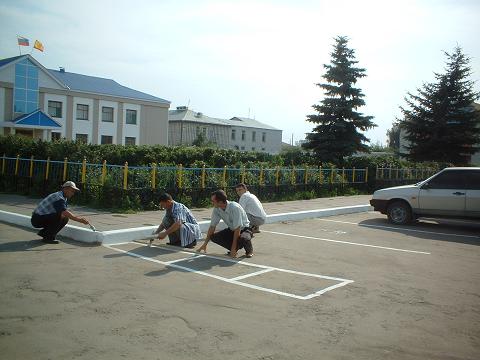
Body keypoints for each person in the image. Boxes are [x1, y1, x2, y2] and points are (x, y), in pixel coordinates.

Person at [197, 189, 253, 258]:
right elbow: (212, 227)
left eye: (213, 201)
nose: (212, 203)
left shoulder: (234, 208)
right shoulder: (217, 209)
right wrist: (205, 244)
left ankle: (249, 250)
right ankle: (235, 247)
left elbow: (238, 229)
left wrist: (233, 249)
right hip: (232, 229)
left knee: (244, 238)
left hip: (244, 229)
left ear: (220, 202)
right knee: (213, 237)